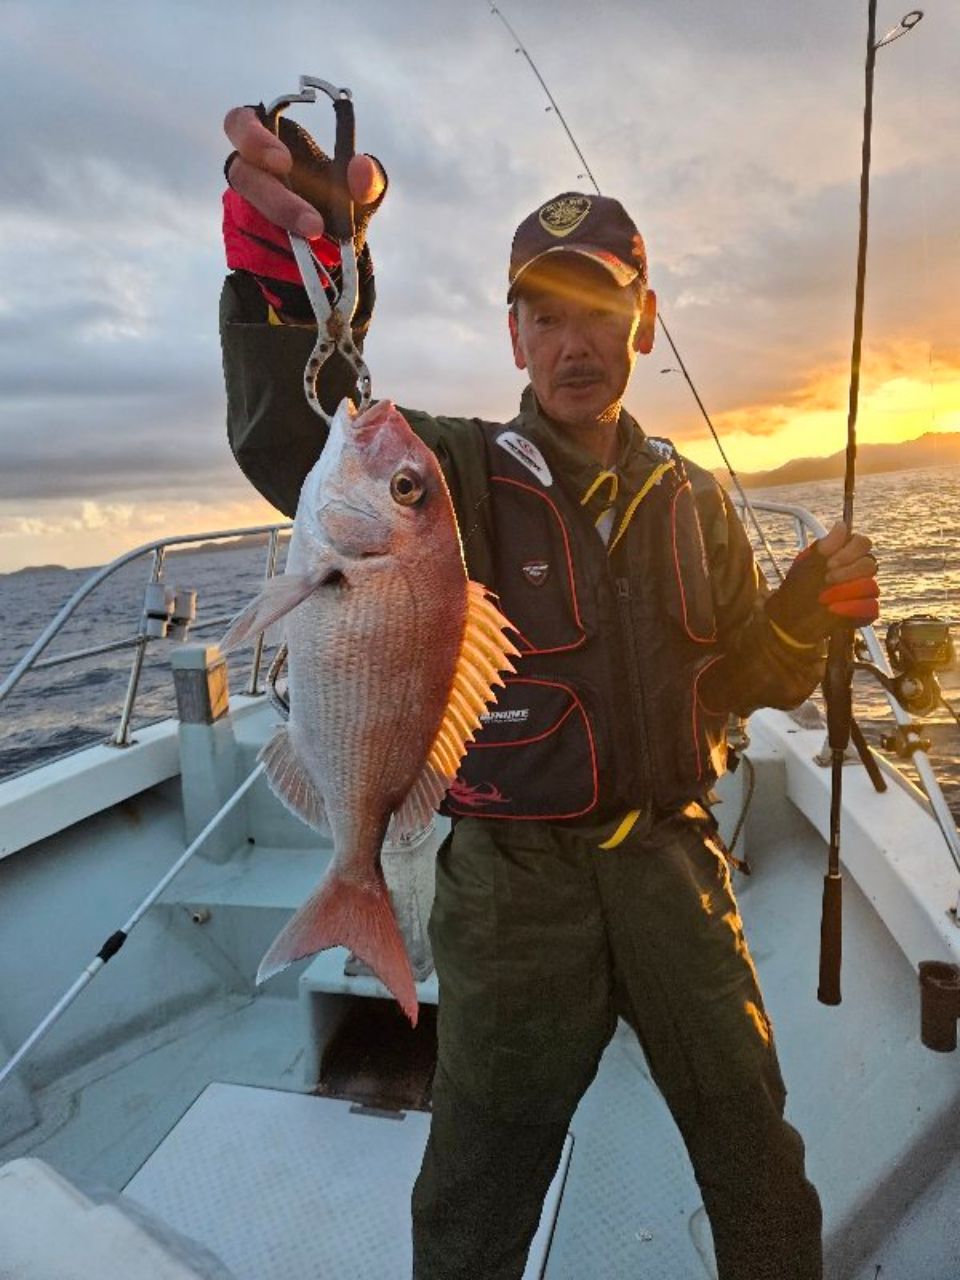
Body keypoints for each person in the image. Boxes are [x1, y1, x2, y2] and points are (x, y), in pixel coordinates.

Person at [219, 106, 879, 1280]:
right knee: (477, 1192)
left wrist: (799, 622)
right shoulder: (449, 472)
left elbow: (739, 681)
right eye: (548, 315)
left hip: (675, 868)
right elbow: (294, 435)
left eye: (605, 312)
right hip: (511, 888)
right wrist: (291, 271)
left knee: (759, 1159)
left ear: (647, 322)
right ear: (513, 336)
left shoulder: (695, 498)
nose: (579, 343)